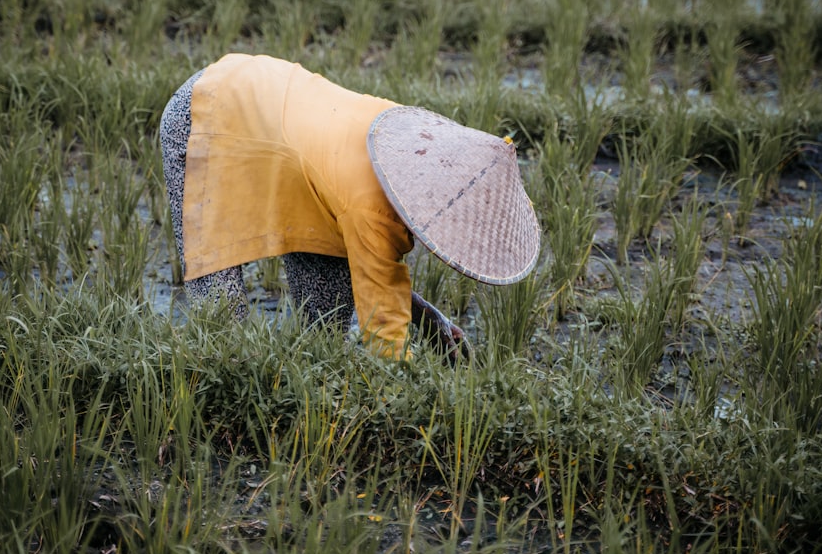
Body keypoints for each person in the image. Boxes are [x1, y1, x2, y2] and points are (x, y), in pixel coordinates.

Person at [160, 53, 540, 362]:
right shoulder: (372, 209)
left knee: (324, 337)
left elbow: (374, 270)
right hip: (207, 114)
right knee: (224, 329)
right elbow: (385, 334)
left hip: (279, 120)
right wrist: (404, 388)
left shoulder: (404, 135)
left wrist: (426, 315)